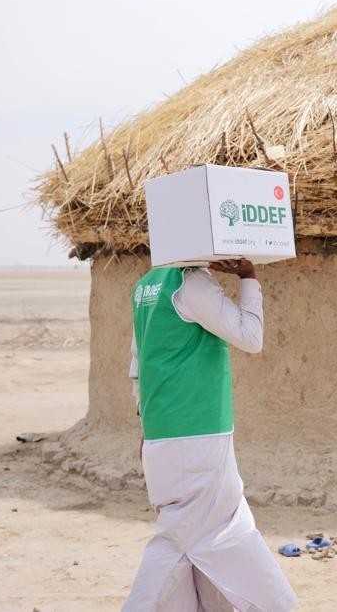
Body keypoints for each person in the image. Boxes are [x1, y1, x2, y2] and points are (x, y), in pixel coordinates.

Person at [124, 259, 298, 612]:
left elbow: (138, 366)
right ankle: (274, 602)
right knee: (191, 537)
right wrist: (248, 277)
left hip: (166, 438)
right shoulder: (189, 283)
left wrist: (147, 427)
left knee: (208, 531)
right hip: (197, 438)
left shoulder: (145, 286)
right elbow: (251, 337)